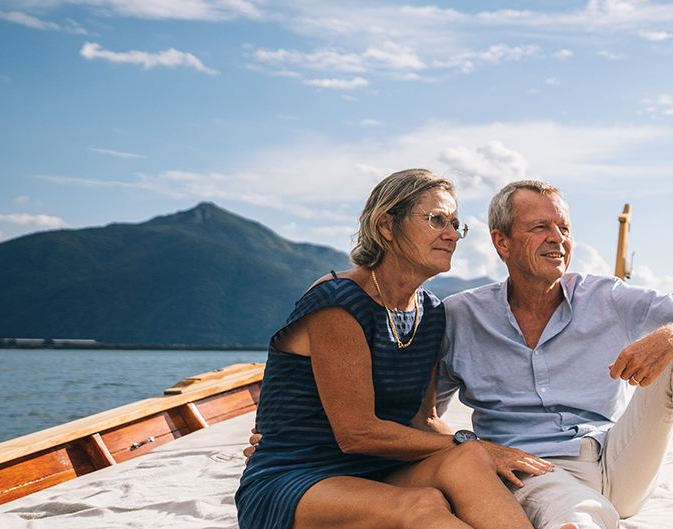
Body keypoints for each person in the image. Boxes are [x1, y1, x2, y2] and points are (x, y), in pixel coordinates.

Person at [237, 169, 556, 529]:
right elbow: (357, 433)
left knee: (468, 459)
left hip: (381, 469)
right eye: (437, 220)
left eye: (455, 224)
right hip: (298, 475)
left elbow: (424, 420)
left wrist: (476, 450)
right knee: (424, 503)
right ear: (387, 225)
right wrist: (478, 444)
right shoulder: (338, 302)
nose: (452, 235)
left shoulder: (431, 312)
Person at [432, 180, 673, 529]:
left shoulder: (606, 297)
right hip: (534, 469)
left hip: (619, 459)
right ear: (502, 242)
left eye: (564, 228)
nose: (557, 238)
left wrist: (672, 338)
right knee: (574, 513)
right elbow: (422, 420)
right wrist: (477, 447)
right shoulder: (460, 316)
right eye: (540, 227)